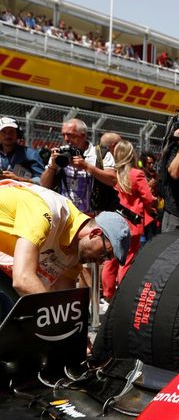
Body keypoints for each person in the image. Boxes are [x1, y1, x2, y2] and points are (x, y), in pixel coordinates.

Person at [0, 180, 130, 318]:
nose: (99, 262)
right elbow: (23, 279)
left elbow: (64, 301)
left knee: (25, 317)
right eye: (104, 254)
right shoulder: (47, 213)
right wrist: (60, 323)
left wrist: (75, 334)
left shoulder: (74, 253)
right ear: (95, 233)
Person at [101, 141, 155, 300]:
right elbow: (148, 198)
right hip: (133, 222)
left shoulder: (115, 174)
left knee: (111, 260)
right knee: (127, 260)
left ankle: (108, 294)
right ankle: (122, 297)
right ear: (132, 154)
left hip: (115, 220)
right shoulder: (136, 174)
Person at [40, 118, 117, 215]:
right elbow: (44, 185)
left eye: (70, 135)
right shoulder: (59, 154)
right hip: (65, 216)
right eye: (63, 135)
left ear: (83, 135)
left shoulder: (100, 154)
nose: (66, 139)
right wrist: (52, 167)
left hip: (92, 217)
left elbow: (113, 180)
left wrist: (87, 167)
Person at [0, 116, 44, 184]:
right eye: (3, 132)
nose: (7, 135)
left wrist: (18, 179)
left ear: (18, 134)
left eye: (11, 131)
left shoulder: (31, 154)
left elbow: (42, 180)